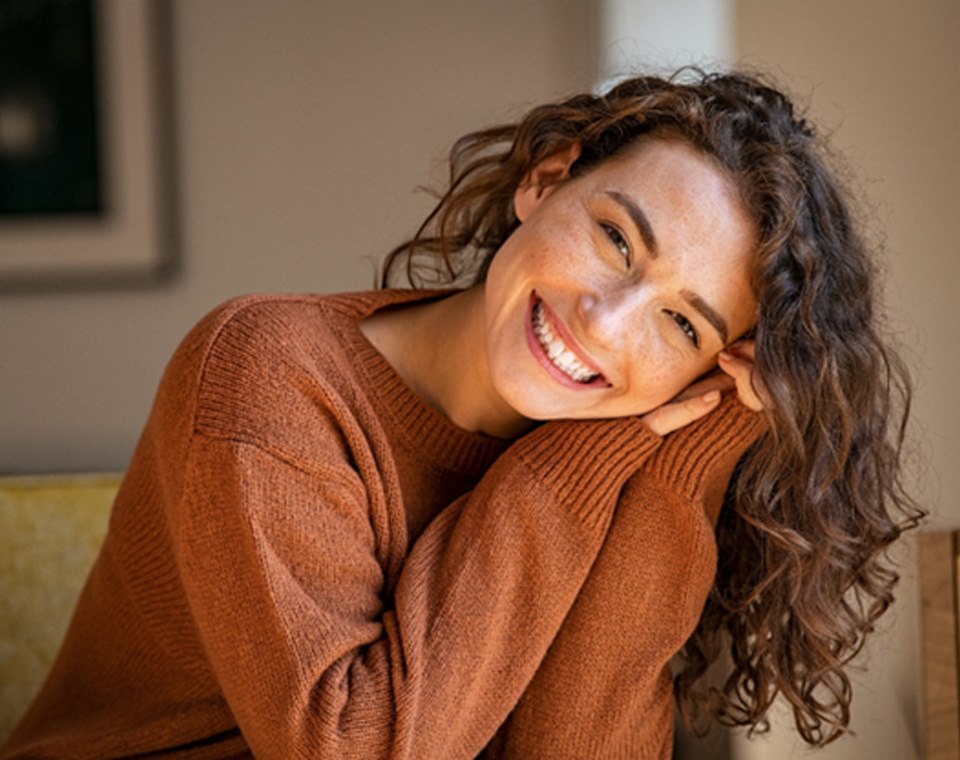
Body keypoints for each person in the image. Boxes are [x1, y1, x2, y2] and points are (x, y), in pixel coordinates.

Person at [1, 69, 921, 759]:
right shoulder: (269, 371)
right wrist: (575, 464)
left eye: (681, 323)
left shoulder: (618, 446)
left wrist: (691, 454)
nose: (602, 324)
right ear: (545, 180)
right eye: (613, 238)